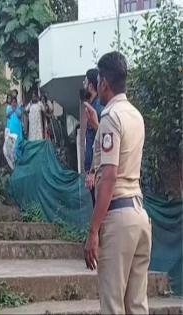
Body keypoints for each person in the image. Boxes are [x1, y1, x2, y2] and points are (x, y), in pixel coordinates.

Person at [84, 51, 150, 315]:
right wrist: (98, 125)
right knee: (136, 305)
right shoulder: (135, 115)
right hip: (140, 217)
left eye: (97, 80)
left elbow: (110, 176)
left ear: (104, 83)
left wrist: (93, 231)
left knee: (112, 305)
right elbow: (121, 157)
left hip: (118, 219)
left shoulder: (111, 118)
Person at [82, 68, 104, 204]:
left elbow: (99, 142)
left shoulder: (97, 108)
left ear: (91, 86)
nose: (83, 86)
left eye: (85, 82)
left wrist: (93, 171)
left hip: (96, 172)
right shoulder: (93, 106)